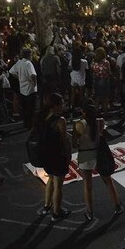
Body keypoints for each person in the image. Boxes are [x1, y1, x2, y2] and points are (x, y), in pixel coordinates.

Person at [72, 103, 124, 221]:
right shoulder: (100, 122)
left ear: (83, 112)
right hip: (99, 153)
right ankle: (117, 205)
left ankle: (89, 212)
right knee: (108, 181)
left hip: (85, 154)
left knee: (87, 185)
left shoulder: (79, 124)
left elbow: (74, 144)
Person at [36, 93, 72, 222]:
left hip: (45, 154)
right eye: (61, 103)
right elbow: (64, 140)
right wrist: (68, 153)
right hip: (57, 155)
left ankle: (47, 205)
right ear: (56, 105)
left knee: (50, 180)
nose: (63, 106)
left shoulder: (42, 116)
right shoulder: (60, 120)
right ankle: (57, 212)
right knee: (58, 184)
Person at [9, 48, 37, 129]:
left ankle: (25, 123)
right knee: (31, 108)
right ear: (29, 55)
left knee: (24, 108)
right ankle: (30, 125)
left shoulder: (19, 62)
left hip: (22, 88)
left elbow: (11, 72)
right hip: (30, 89)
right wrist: (34, 84)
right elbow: (33, 75)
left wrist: (19, 77)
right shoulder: (29, 64)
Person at [92, 47, 112, 115]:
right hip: (104, 80)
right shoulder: (106, 62)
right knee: (105, 97)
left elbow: (93, 71)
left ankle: (96, 111)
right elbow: (109, 72)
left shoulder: (94, 62)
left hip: (96, 80)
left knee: (97, 97)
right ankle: (105, 111)